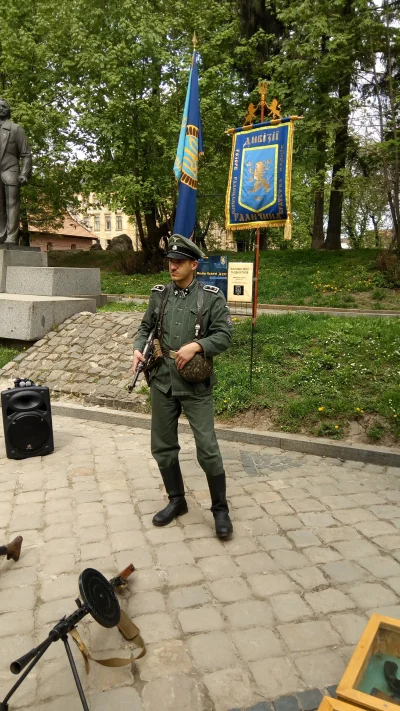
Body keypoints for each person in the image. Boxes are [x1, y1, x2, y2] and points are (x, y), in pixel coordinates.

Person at [132, 234, 233, 538]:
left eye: (178, 262)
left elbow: (225, 336)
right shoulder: (159, 295)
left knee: (208, 449)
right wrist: (139, 347)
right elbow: (145, 328)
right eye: (170, 262)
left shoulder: (211, 297)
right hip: (162, 381)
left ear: (194, 264)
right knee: (162, 447)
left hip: (196, 385)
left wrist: (197, 346)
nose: (172, 266)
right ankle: (177, 501)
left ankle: (220, 510)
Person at [0, 98, 32, 245]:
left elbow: (26, 154)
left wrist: (24, 174)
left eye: (3, 106)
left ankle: (11, 237)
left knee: (12, 204)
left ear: (9, 111)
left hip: (10, 170)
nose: (0, 108)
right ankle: (1, 235)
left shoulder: (16, 129)